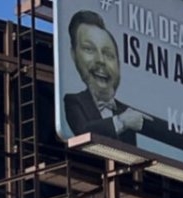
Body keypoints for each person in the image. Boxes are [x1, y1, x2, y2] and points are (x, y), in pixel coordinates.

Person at [61, 10, 147, 142]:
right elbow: (82, 131)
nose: (101, 60)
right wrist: (121, 122)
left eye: (108, 54)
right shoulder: (74, 101)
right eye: (89, 49)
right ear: (74, 55)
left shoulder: (126, 110)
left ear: (118, 64)